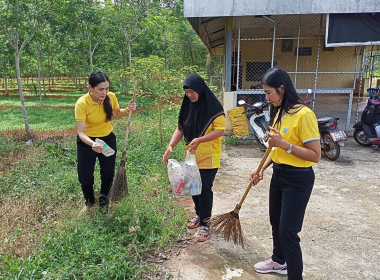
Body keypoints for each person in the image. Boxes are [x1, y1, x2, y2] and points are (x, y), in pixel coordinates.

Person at [249, 67, 321, 280]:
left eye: (269, 92)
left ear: (281, 88)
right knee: (276, 223)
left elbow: (315, 155)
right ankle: (279, 261)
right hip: (279, 175)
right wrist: (260, 169)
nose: (266, 97)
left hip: (298, 179)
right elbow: (275, 149)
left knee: (288, 233)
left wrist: (285, 144)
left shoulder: (304, 115)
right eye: (264, 93)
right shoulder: (281, 112)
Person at [162, 73, 225, 242]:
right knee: (193, 187)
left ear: (199, 89)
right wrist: (170, 146)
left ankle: (205, 223)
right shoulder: (187, 106)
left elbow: (219, 131)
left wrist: (200, 139)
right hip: (191, 155)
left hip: (209, 156)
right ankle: (199, 214)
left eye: (192, 91)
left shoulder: (214, 107)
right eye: (186, 92)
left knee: (204, 189)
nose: (189, 95)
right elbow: (180, 128)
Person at [75, 71, 137, 210]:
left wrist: (127, 109)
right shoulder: (82, 103)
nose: (104, 92)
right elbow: (81, 133)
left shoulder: (111, 97)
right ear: (90, 87)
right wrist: (93, 144)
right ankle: (89, 201)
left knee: (108, 173)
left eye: (107, 88)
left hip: (106, 140)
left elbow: (117, 113)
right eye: (100, 89)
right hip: (87, 142)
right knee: (85, 178)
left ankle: (104, 199)